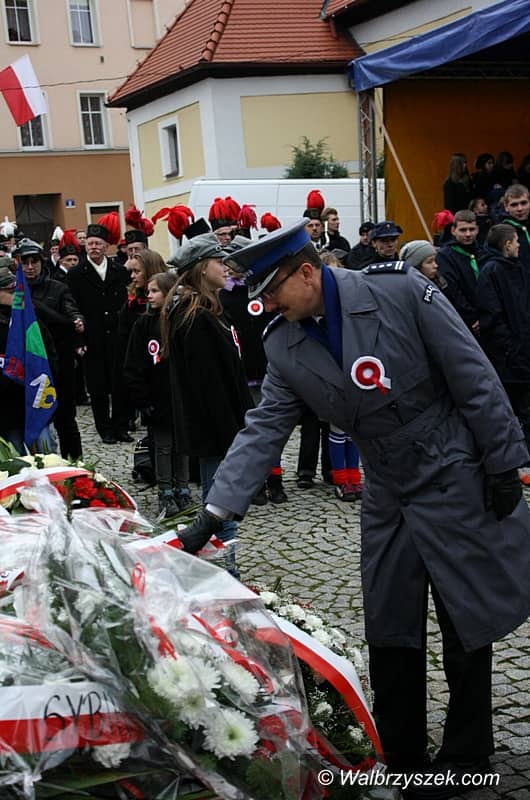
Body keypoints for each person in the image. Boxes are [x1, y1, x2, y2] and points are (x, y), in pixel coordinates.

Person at [176, 219, 530, 799]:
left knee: (465, 617)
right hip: (387, 489)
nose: (267, 305)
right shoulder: (284, 342)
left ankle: (467, 755)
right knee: (390, 623)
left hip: (451, 472)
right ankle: (403, 757)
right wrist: (215, 513)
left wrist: (503, 463)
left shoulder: (400, 292)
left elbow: (472, 374)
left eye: (272, 292)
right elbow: (265, 427)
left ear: (306, 272)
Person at [161, 233, 253, 576]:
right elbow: (208, 384)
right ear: (201, 269)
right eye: (218, 262)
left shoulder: (211, 310)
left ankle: (223, 572)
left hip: (224, 423)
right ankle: (224, 575)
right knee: (220, 503)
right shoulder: (195, 316)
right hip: (216, 427)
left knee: (222, 501)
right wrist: (233, 432)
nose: (225, 267)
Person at [124, 271, 192, 517]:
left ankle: (183, 489)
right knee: (163, 447)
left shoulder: (182, 321)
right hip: (157, 397)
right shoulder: (143, 325)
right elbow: (134, 363)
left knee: (182, 446)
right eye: (148, 291)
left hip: (180, 397)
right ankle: (165, 492)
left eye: (155, 291)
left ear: (169, 293)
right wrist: (141, 398)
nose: (150, 296)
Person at [14, 238, 84, 460]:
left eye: (34, 261)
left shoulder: (58, 288)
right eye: (25, 262)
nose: (30, 267)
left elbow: (70, 313)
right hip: (29, 366)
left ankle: (75, 464)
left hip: (59, 362)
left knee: (66, 419)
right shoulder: (13, 292)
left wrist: (77, 320)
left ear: (41, 262)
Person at [66, 220, 130, 444]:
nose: (93, 247)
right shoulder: (76, 274)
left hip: (117, 335)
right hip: (92, 337)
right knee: (97, 386)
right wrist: (79, 339)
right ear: (85, 246)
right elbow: (72, 306)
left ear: (106, 246)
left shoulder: (119, 271)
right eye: (90, 243)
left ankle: (121, 425)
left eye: (98, 243)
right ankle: (104, 428)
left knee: (120, 383)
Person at [477, 224, 530, 485]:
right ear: (507, 244)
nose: (519, 245)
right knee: (509, 409)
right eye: (516, 240)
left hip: (522, 352)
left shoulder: (516, 268)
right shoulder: (492, 270)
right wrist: (510, 347)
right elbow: (493, 315)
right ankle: (513, 462)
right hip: (507, 356)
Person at [435, 210, 487, 335]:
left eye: (471, 229)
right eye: (463, 230)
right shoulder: (445, 256)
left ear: (477, 229)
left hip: (487, 316)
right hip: (463, 319)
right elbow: (452, 290)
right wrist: (471, 317)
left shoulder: (483, 252)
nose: (468, 234)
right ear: (453, 231)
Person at [500, 184, 530, 271]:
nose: (520, 209)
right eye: (514, 205)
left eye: (523, 203)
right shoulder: (501, 232)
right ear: (506, 207)